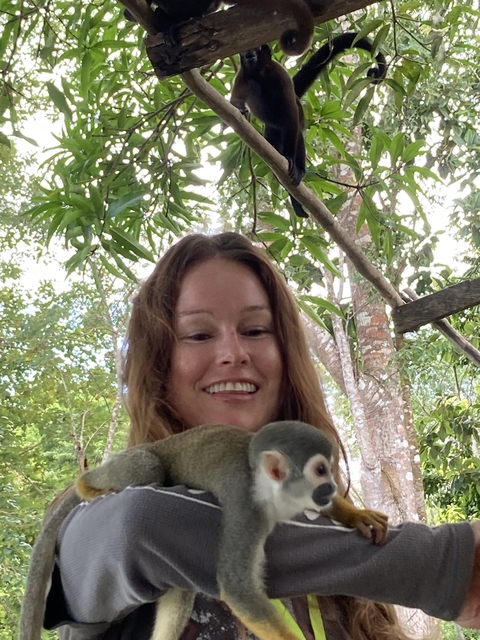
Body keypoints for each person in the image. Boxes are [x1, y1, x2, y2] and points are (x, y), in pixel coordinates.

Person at [44, 232, 480, 640]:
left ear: (284, 356)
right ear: (160, 366)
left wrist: (350, 520)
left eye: (255, 330)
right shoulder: (99, 521)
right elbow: (143, 528)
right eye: (199, 334)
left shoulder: (313, 520)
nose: (233, 353)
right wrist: (445, 566)